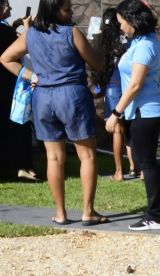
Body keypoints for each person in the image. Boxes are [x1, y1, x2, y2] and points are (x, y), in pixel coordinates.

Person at [1, 0, 109, 225]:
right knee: (87, 156)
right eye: (67, 8)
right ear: (55, 10)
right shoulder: (72, 33)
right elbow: (97, 63)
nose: (71, 12)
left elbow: (5, 58)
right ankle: (88, 211)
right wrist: (97, 43)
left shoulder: (31, 35)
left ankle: (60, 213)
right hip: (72, 95)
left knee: (53, 157)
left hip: (43, 97)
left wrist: (31, 76)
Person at [106, 0, 160, 231]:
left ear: (133, 21)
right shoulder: (143, 42)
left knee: (146, 162)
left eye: (122, 22)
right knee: (146, 160)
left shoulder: (145, 46)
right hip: (145, 110)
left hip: (145, 111)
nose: (121, 26)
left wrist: (115, 113)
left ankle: (156, 215)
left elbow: (135, 84)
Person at [93, 7, 136, 182]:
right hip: (128, 86)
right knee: (131, 130)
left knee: (117, 131)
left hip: (111, 88)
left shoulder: (100, 41)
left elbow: (96, 68)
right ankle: (136, 168)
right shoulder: (127, 40)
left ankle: (119, 172)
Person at [0, 0, 38, 181]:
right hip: (9, 87)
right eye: (6, 4)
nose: (10, 7)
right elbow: (28, 45)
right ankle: (21, 165)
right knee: (17, 124)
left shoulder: (6, 30)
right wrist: (27, 27)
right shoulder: (5, 32)